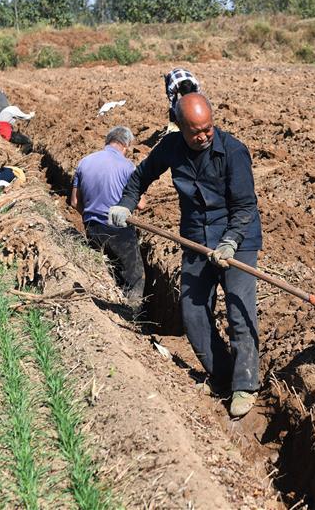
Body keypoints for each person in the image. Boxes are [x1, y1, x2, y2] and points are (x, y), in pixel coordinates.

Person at [109, 93, 262, 418]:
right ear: (180, 126)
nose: (204, 135)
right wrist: (126, 202)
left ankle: (245, 385)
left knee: (238, 310)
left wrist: (231, 242)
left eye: (208, 128)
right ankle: (220, 376)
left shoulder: (232, 151)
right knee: (193, 312)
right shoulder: (171, 147)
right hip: (195, 239)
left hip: (238, 240)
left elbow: (246, 206)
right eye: (196, 131)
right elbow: (140, 177)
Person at [71, 126, 146, 311]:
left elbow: (74, 202)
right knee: (134, 276)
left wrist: (90, 217)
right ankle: (131, 317)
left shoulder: (84, 162)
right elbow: (141, 204)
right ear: (125, 145)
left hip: (92, 227)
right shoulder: (127, 166)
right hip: (119, 230)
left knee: (106, 271)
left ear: (108, 141)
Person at [0, 83, 35, 149]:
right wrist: (31, 115)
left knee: (5, 131)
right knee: (25, 140)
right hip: (4, 123)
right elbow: (25, 117)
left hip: (1, 115)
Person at [164, 67, 201, 133]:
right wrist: (177, 117)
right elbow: (172, 104)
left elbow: (198, 101)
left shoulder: (196, 85)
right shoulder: (173, 86)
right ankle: (173, 124)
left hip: (184, 74)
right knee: (173, 105)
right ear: (180, 90)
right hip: (172, 76)